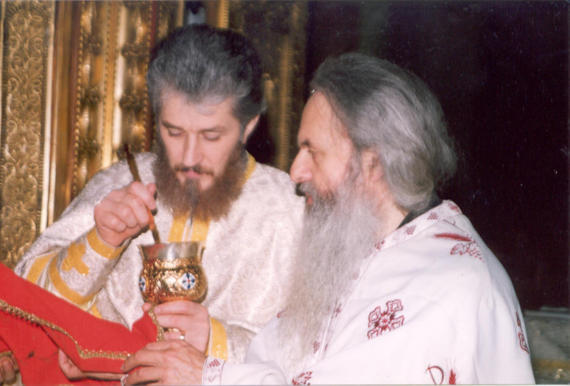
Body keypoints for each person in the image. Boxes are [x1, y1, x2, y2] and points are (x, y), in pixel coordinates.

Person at [115, 53, 535, 384]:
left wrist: (205, 378)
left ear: (372, 163)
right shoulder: (363, 252)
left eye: (312, 151)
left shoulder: (443, 287)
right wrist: (208, 342)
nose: (296, 173)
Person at [10, 23, 303, 383]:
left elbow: (319, 355)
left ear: (247, 126)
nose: (189, 157)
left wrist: (216, 342)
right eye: (173, 132)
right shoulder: (120, 183)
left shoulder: (293, 212)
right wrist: (100, 242)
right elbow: (25, 309)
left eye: (211, 136)